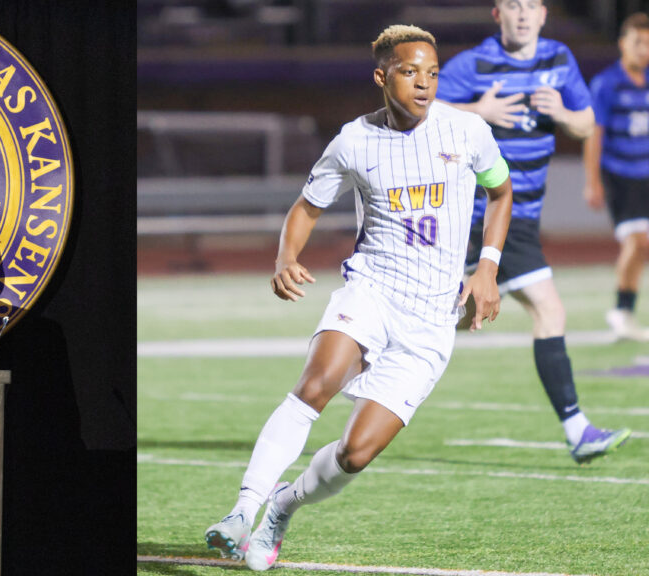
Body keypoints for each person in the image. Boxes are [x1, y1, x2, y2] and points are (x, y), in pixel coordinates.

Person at [205, 25, 513, 571]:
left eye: (432, 73)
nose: (424, 84)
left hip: (432, 319)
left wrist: (486, 267)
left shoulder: (467, 132)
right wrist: (285, 258)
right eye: (409, 71)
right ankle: (242, 510)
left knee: (355, 453)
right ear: (382, 76)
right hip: (372, 289)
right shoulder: (354, 141)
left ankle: (282, 506)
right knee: (315, 385)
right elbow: (306, 207)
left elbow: (501, 190)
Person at [436, 0, 631, 463]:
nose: (522, 14)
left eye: (530, 6)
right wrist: (475, 109)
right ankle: (577, 430)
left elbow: (586, 125)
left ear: (543, 14)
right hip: (487, 212)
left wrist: (562, 112)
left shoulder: (558, 59)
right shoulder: (474, 64)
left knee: (462, 314)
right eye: (512, 6)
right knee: (549, 310)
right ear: (496, 14)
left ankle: (376, 358)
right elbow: (422, 109)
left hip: (520, 214)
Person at [583, 12, 649, 341]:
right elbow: (594, 134)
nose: (644, 50)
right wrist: (592, 180)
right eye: (638, 43)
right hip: (621, 176)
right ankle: (622, 311)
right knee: (638, 242)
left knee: (641, 247)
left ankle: (623, 310)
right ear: (623, 44)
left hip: (647, 173)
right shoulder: (607, 83)